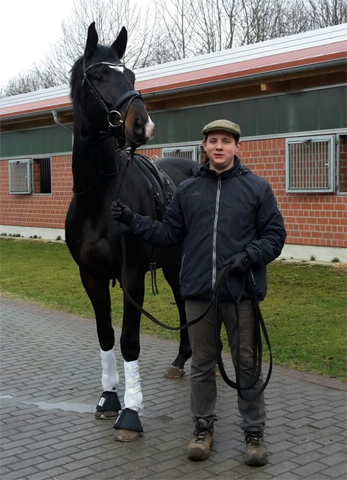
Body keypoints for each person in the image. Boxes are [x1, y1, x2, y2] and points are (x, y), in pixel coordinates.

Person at [111, 119, 286, 466]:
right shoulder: (189, 191)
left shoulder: (257, 189)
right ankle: (203, 428)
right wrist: (134, 220)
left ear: (237, 147)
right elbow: (169, 234)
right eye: (212, 141)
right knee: (203, 366)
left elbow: (275, 235)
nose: (219, 146)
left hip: (241, 294)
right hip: (198, 295)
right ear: (203, 148)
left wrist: (250, 255)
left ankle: (253, 434)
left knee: (246, 365)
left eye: (226, 141)